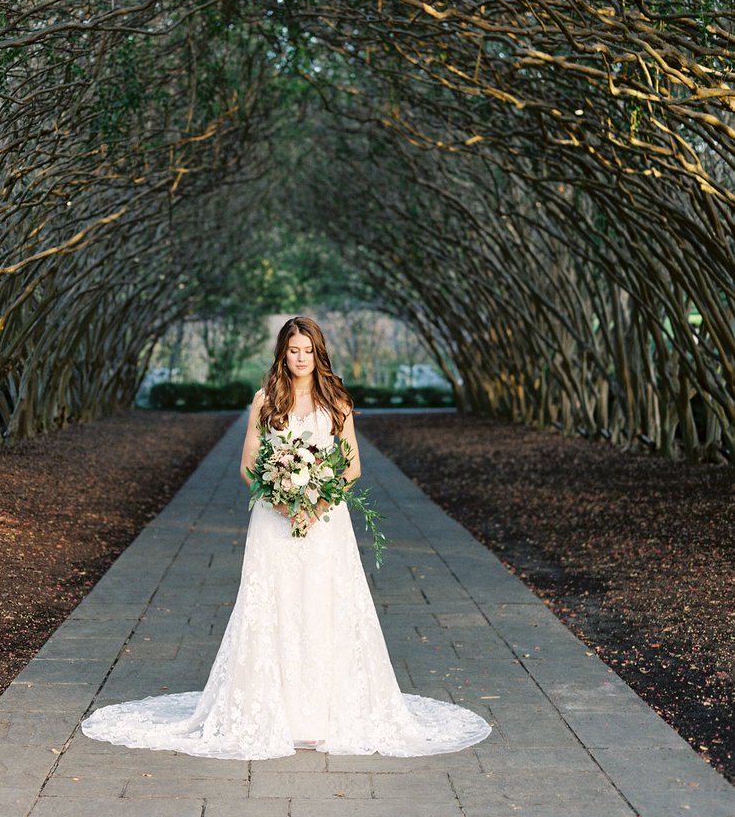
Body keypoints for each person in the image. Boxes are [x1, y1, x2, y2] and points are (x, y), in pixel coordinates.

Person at [81, 316, 491, 758]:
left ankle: (320, 716)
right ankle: (276, 712)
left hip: (325, 523)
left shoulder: (337, 401)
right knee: (274, 604)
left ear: (319, 353)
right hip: (273, 521)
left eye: (308, 351)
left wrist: (315, 505)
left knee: (322, 603)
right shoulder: (265, 400)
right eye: (294, 350)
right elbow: (248, 465)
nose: (301, 358)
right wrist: (281, 501)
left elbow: (352, 467)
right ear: (283, 353)